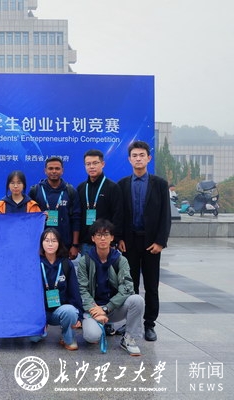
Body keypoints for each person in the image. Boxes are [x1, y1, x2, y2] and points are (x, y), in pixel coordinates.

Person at [118, 140, 171, 342]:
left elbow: (165, 215)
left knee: (151, 285)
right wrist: (119, 238)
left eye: (142, 155)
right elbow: (119, 215)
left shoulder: (160, 184)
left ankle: (149, 324)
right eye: (135, 156)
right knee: (129, 286)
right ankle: (130, 323)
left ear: (149, 158)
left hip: (151, 244)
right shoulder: (123, 184)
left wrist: (160, 242)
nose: (138, 159)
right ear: (129, 159)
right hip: (129, 243)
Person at [78, 219, 145, 356]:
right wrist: (95, 309)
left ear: (112, 237)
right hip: (94, 309)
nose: (102, 238)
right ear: (93, 238)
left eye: (106, 234)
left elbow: (127, 288)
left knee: (137, 300)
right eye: (98, 235)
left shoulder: (120, 260)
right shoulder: (85, 261)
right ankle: (99, 325)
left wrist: (107, 308)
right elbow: (82, 289)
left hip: (113, 308)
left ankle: (129, 338)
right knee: (91, 336)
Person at [29, 228, 82, 350]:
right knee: (34, 338)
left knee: (70, 311)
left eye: (54, 241)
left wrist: (79, 316)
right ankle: (42, 326)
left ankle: (67, 337)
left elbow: (74, 292)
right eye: (46, 240)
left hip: (60, 310)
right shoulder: (35, 263)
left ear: (59, 243)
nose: (50, 244)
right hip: (40, 312)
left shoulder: (66, 264)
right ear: (41, 243)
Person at [29, 157, 81, 259]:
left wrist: (75, 245)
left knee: (62, 270)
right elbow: (30, 220)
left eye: (57, 168)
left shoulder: (70, 191)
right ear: (45, 171)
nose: (54, 171)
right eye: (50, 168)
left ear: (62, 171)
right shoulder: (35, 191)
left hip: (65, 245)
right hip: (41, 246)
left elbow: (76, 219)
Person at [76, 149, 124, 255]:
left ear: (103, 164)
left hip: (106, 243)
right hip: (86, 243)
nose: (91, 167)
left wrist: (115, 240)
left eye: (95, 163)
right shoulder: (81, 188)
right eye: (88, 164)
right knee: (86, 266)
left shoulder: (113, 187)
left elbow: (118, 215)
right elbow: (77, 216)